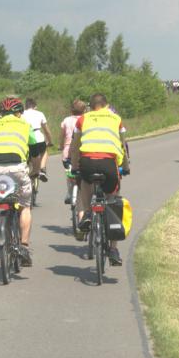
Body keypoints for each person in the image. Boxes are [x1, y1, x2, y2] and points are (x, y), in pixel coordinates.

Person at [70, 93, 130, 266]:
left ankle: (88, 213)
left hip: (87, 162)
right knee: (112, 199)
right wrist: (126, 166)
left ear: (91, 106)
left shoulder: (83, 119)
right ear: (106, 105)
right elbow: (122, 145)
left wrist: (74, 167)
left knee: (85, 184)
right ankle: (113, 249)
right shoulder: (116, 119)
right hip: (108, 163)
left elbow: (75, 146)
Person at [0, 97, 38, 266]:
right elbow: (35, 149)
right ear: (19, 113)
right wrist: (36, 170)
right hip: (17, 167)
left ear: (1, 113)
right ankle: (24, 246)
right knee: (25, 207)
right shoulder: (25, 124)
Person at [60, 99, 87, 205]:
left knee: (69, 174)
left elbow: (62, 136)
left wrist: (61, 146)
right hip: (83, 151)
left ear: (71, 110)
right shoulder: (86, 119)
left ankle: (70, 193)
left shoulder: (66, 120)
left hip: (68, 152)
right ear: (84, 110)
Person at [22, 97, 53, 182]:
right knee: (44, 151)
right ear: (35, 106)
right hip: (38, 138)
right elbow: (47, 131)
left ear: (25, 106)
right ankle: (42, 169)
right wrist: (50, 141)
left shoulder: (22, 114)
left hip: (25, 139)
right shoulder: (40, 114)